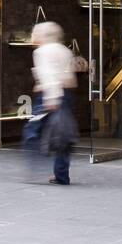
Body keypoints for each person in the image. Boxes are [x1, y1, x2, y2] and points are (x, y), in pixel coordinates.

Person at [30, 21, 77, 185]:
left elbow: (48, 74)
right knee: (62, 134)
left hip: (51, 95)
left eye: (36, 33)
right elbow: (69, 76)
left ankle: (33, 168)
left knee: (33, 131)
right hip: (66, 93)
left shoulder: (41, 52)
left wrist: (51, 98)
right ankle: (61, 174)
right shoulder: (65, 50)